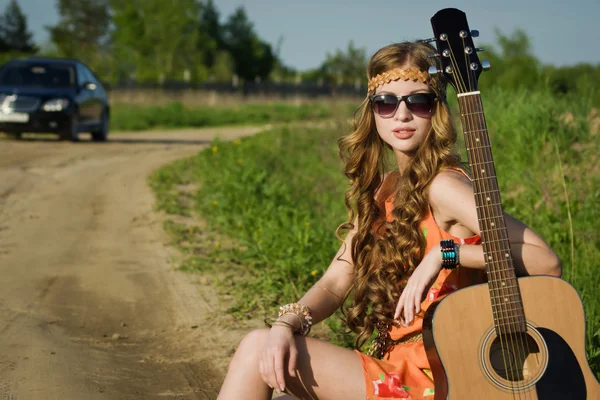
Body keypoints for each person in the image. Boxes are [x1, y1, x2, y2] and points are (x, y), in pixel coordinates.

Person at [216, 41, 562, 400]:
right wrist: (287, 323)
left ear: (437, 111)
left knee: (257, 350)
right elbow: (336, 282)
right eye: (386, 102)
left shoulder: (444, 186)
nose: (402, 115)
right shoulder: (387, 189)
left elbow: (546, 262)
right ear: (373, 112)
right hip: (396, 366)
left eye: (418, 101)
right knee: (269, 347)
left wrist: (448, 254)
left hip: (440, 376)